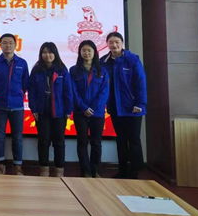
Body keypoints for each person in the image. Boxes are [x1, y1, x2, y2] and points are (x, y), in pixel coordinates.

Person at [100, 32, 147, 179]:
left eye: (117, 42)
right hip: (115, 107)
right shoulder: (103, 62)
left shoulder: (132, 59)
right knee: (120, 139)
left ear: (122, 43)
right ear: (107, 44)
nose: (114, 45)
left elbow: (140, 82)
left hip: (133, 107)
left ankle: (135, 172)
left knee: (133, 139)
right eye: (111, 42)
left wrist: (140, 103)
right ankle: (122, 170)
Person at [28, 42, 73, 178]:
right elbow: (32, 91)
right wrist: (33, 108)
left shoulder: (62, 70)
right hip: (42, 111)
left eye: (50, 52)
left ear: (55, 54)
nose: (47, 55)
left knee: (59, 142)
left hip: (59, 111)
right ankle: (44, 170)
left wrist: (68, 110)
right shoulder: (36, 70)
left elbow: (68, 91)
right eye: (44, 52)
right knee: (43, 141)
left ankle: (59, 170)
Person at [0, 33, 29, 175]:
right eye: (4, 43)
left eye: (10, 43)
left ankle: (17, 166)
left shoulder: (22, 63)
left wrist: (19, 94)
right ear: (0, 45)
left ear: (15, 45)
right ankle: (0, 165)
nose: (8, 45)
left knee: (17, 137)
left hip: (17, 106)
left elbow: (25, 83)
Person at [69, 40, 109, 178]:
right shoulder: (73, 71)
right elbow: (73, 91)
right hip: (80, 111)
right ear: (80, 52)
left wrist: (93, 108)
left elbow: (104, 92)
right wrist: (84, 107)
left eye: (89, 50)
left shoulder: (102, 71)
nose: (86, 53)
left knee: (96, 142)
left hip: (97, 113)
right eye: (84, 50)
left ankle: (95, 170)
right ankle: (85, 171)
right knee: (82, 141)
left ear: (94, 53)